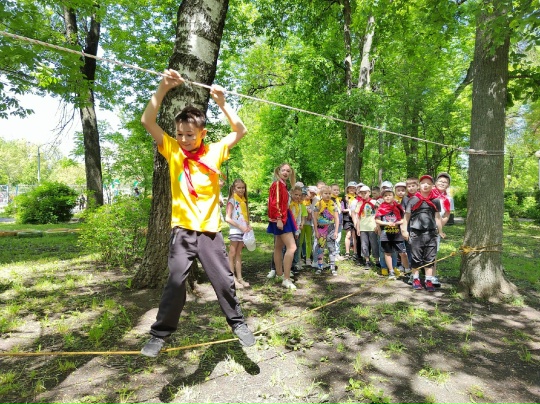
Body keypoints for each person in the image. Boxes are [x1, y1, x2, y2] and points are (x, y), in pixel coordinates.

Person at [139, 69, 255, 357]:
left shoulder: (214, 151)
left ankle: (238, 323)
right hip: (182, 230)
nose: (184, 139)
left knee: (224, 280)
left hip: (210, 232)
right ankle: (160, 334)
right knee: (176, 281)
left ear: (202, 133)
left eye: (190, 135)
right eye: (180, 134)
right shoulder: (173, 150)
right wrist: (163, 88)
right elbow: (147, 121)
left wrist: (223, 104)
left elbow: (240, 131)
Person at [403, 175, 445, 292]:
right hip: (416, 233)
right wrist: (404, 230)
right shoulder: (413, 200)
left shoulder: (435, 201)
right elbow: (406, 217)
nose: (426, 185)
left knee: (430, 258)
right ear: (419, 186)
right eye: (423, 183)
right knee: (416, 257)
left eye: (428, 183)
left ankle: (428, 280)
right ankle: (416, 279)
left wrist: (440, 230)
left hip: (431, 233)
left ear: (433, 186)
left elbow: (437, 217)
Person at [266, 163, 298, 290]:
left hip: (283, 217)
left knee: (278, 247)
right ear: (279, 171)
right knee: (292, 247)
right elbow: (275, 203)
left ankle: (279, 274)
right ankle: (286, 278)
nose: (285, 172)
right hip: (282, 218)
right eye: (283, 170)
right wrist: (279, 219)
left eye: (288, 171)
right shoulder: (278, 184)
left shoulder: (282, 185)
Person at [375, 188, 410, 280]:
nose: (387, 197)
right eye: (385, 195)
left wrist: (396, 223)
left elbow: (403, 220)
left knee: (403, 253)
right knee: (387, 253)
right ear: (383, 197)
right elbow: (377, 220)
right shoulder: (381, 208)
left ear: (393, 196)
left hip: (397, 234)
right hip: (385, 234)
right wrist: (387, 223)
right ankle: (391, 271)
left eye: (390, 195)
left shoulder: (398, 207)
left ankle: (407, 270)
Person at [224, 178, 252, 289]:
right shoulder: (232, 200)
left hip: (243, 231)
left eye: (243, 187)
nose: (241, 190)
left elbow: (244, 217)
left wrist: (247, 225)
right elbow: (227, 218)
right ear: (234, 189)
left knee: (238, 254)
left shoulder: (243, 201)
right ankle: (232, 279)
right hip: (235, 231)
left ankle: (240, 278)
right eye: (238, 187)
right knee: (232, 253)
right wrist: (240, 226)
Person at [430, 172, 452, 287]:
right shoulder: (428, 194)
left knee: (433, 253)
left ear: (448, 185)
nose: (442, 183)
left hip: (436, 229)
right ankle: (417, 275)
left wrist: (439, 227)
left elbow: (447, 214)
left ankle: (432, 276)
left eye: (445, 182)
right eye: (440, 181)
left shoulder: (448, 198)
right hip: (423, 226)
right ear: (435, 182)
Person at [312, 185, 340, 275]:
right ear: (321, 194)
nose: (328, 195)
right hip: (321, 229)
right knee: (320, 248)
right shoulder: (318, 205)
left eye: (329, 193)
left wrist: (336, 231)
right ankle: (320, 266)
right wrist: (316, 231)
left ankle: (332, 267)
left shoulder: (333, 204)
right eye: (325, 193)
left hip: (331, 228)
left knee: (332, 248)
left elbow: (337, 218)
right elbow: (315, 219)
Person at [353, 185, 379, 270]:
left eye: (365, 193)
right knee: (364, 245)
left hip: (372, 227)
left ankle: (377, 260)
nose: (363, 194)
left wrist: (378, 226)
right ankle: (367, 260)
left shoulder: (374, 202)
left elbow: (378, 214)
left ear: (369, 193)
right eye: (362, 193)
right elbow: (358, 217)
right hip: (363, 227)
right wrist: (358, 228)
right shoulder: (359, 203)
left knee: (374, 244)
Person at [289, 185, 306, 276]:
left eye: (299, 195)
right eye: (296, 194)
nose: (298, 197)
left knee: (295, 246)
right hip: (287, 228)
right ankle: (286, 267)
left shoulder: (299, 205)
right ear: (291, 193)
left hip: (295, 229)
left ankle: (293, 265)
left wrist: (297, 231)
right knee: (287, 248)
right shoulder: (289, 204)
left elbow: (298, 219)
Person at [341, 181, 357, 260]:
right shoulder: (344, 198)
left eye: (353, 188)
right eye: (350, 188)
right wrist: (349, 209)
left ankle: (355, 252)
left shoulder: (358, 198)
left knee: (354, 236)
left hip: (355, 218)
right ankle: (347, 252)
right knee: (348, 235)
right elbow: (342, 209)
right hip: (347, 218)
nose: (352, 189)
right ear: (347, 189)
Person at [299, 187, 315, 266]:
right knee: (300, 241)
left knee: (309, 241)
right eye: (310, 193)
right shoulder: (300, 203)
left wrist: (309, 214)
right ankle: (299, 258)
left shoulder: (311, 203)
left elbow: (311, 216)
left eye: (313, 194)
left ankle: (308, 258)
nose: (311, 195)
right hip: (301, 225)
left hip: (308, 224)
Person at [330, 183, 343, 258]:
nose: (336, 191)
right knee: (333, 237)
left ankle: (337, 252)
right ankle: (333, 253)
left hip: (339, 221)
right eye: (334, 190)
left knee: (338, 237)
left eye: (337, 190)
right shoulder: (330, 200)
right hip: (332, 221)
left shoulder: (339, 200)